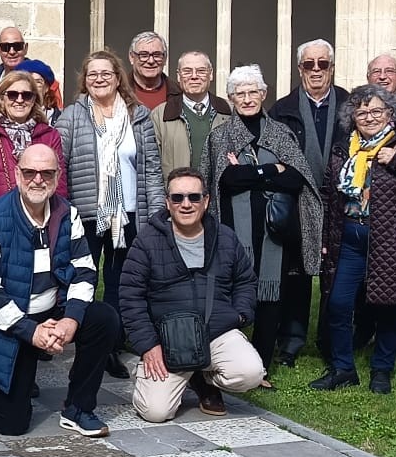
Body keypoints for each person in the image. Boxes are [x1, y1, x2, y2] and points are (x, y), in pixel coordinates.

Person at [0, 144, 121, 437]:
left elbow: (85, 271)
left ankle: (78, 408)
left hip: (52, 308)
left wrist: (70, 320)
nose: (38, 179)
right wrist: (31, 332)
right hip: (9, 321)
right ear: (17, 174)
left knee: (104, 318)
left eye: (47, 173)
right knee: (13, 426)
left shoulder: (68, 214)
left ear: (58, 176)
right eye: (29, 172)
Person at [315, 85, 396, 393]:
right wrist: (324, 236)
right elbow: (328, 195)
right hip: (348, 237)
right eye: (361, 112)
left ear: (390, 113)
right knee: (338, 304)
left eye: (376, 111)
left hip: (391, 238)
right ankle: (343, 369)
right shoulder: (343, 148)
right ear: (352, 117)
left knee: (390, 307)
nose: (369, 117)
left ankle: (382, 370)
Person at [118, 167, 261, 422]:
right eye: (178, 198)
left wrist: (240, 315)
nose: (186, 204)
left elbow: (245, 280)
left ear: (206, 201)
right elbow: (130, 298)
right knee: (156, 412)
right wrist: (148, 346)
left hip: (216, 332)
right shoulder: (147, 241)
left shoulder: (225, 238)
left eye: (194, 197)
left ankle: (204, 378)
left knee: (250, 373)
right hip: (168, 340)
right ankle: (177, 376)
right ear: (167, 202)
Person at [208, 65, 322, 381]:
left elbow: (297, 179)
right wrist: (273, 170)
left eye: (253, 92)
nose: (247, 99)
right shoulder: (221, 136)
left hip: (275, 232)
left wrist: (248, 173)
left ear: (264, 94)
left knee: (271, 297)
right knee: (232, 293)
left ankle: (262, 366)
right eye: (240, 93)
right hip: (234, 231)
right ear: (231, 98)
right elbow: (225, 181)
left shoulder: (280, 134)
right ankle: (229, 358)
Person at [57, 50, 165, 379]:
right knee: (83, 280)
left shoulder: (138, 116)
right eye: (93, 74)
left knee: (121, 282)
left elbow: (151, 169)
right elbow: (59, 166)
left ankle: (111, 346)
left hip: (129, 213)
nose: (100, 79)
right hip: (87, 214)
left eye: (106, 73)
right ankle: (84, 339)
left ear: (118, 78)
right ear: (84, 80)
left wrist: (156, 213)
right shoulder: (72, 116)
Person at [264, 39, 344, 366]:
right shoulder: (282, 109)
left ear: (331, 67)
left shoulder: (350, 105)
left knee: (336, 275)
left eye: (322, 64)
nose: (316, 70)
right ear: (300, 69)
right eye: (309, 64)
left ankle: (331, 340)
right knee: (296, 274)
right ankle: (291, 341)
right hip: (298, 202)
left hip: (341, 202)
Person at [0, 68, 66, 214]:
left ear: (34, 100)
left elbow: (59, 183)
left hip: (41, 219)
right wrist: (5, 215)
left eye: (26, 95)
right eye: (12, 95)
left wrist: (43, 216)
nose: (19, 100)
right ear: (2, 99)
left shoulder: (50, 135)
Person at [153, 51, 229, 178]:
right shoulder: (160, 115)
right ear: (178, 76)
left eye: (201, 71)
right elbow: (152, 167)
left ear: (211, 74)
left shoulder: (229, 111)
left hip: (221, 190)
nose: (194, 76)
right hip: (178, 190)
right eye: (187, 71)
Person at [0, 25, 62, 118]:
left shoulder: (45, 80)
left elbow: (57, 117)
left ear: (25, 48)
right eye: (5, 47)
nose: (12, 52)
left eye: (17, 46)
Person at [126, 32, 170, 112]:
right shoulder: (117, 92)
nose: (151, 61)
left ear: (165, 58)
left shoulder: (179, 94)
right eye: (144, 55)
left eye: (157, 55)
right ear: (131, 57)